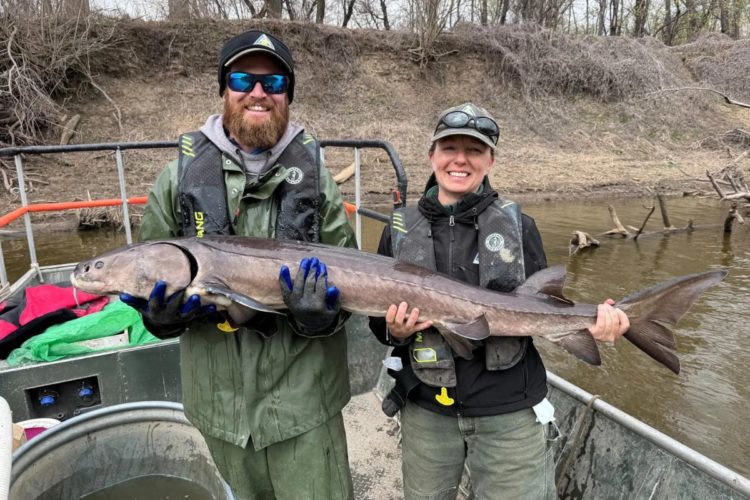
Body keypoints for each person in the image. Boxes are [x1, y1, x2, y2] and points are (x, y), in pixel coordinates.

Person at [123, 30, 357, 500]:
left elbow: (351, 288)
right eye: (242, 79)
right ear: (224, 90)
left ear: (286, 95)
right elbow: (148, 276)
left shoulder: (316, 179)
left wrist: (323, 318)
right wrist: (159, 320)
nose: (257, 93)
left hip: (304, 406)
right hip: (219, 410)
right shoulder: (176, 180)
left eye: (272, 82)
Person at [369, 102, 629, 500]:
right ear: (431, 156)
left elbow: (546, 306)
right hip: (425, 409)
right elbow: (379, 326)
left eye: (474, 150)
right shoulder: (400, 229)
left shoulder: (518, 226)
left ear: (490, 159)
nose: (460, 160)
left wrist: (595, 322)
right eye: (449, 148)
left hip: (509, 411)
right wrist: (395, 330)